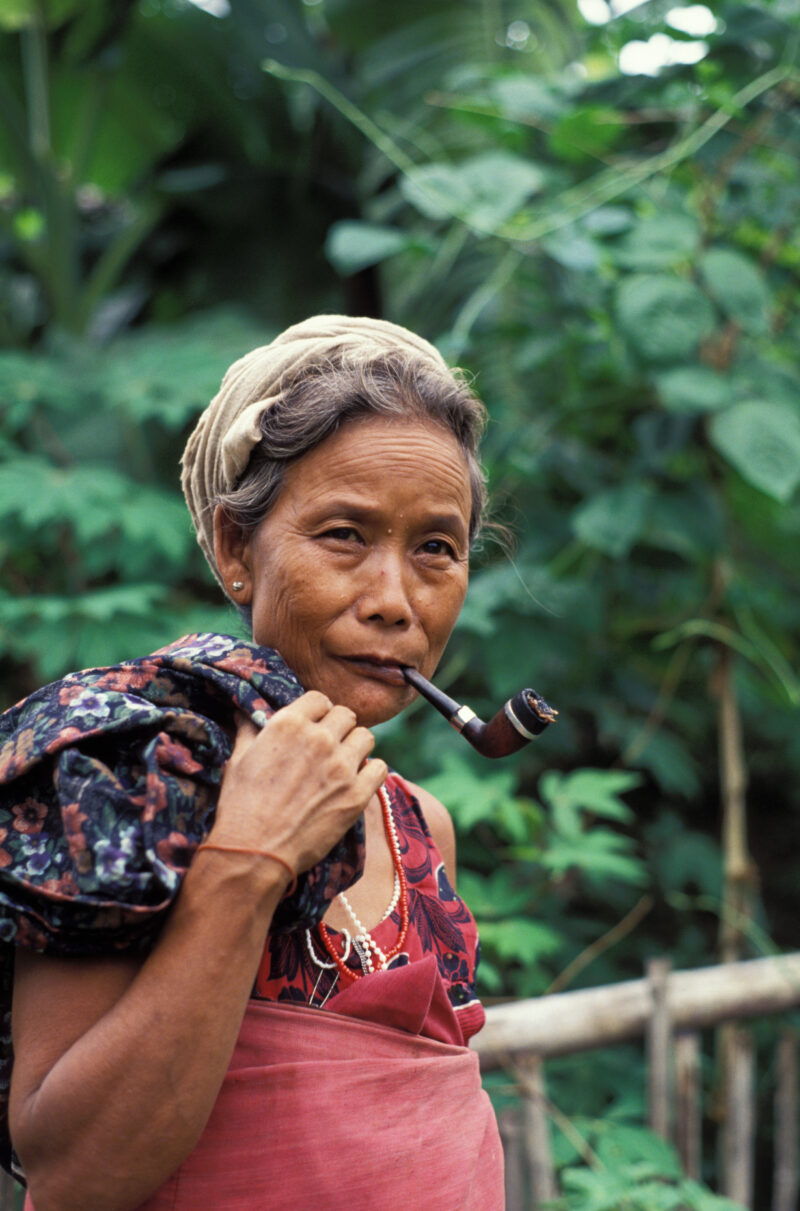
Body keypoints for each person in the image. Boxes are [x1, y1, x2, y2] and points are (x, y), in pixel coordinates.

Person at [0, 316, 504, 1210]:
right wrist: (251, 859)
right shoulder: (128, 777)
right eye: (345, 534)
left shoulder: (420, 828)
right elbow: (72, 1174)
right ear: (238, 550)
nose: (395, 601)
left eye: (436, 547)